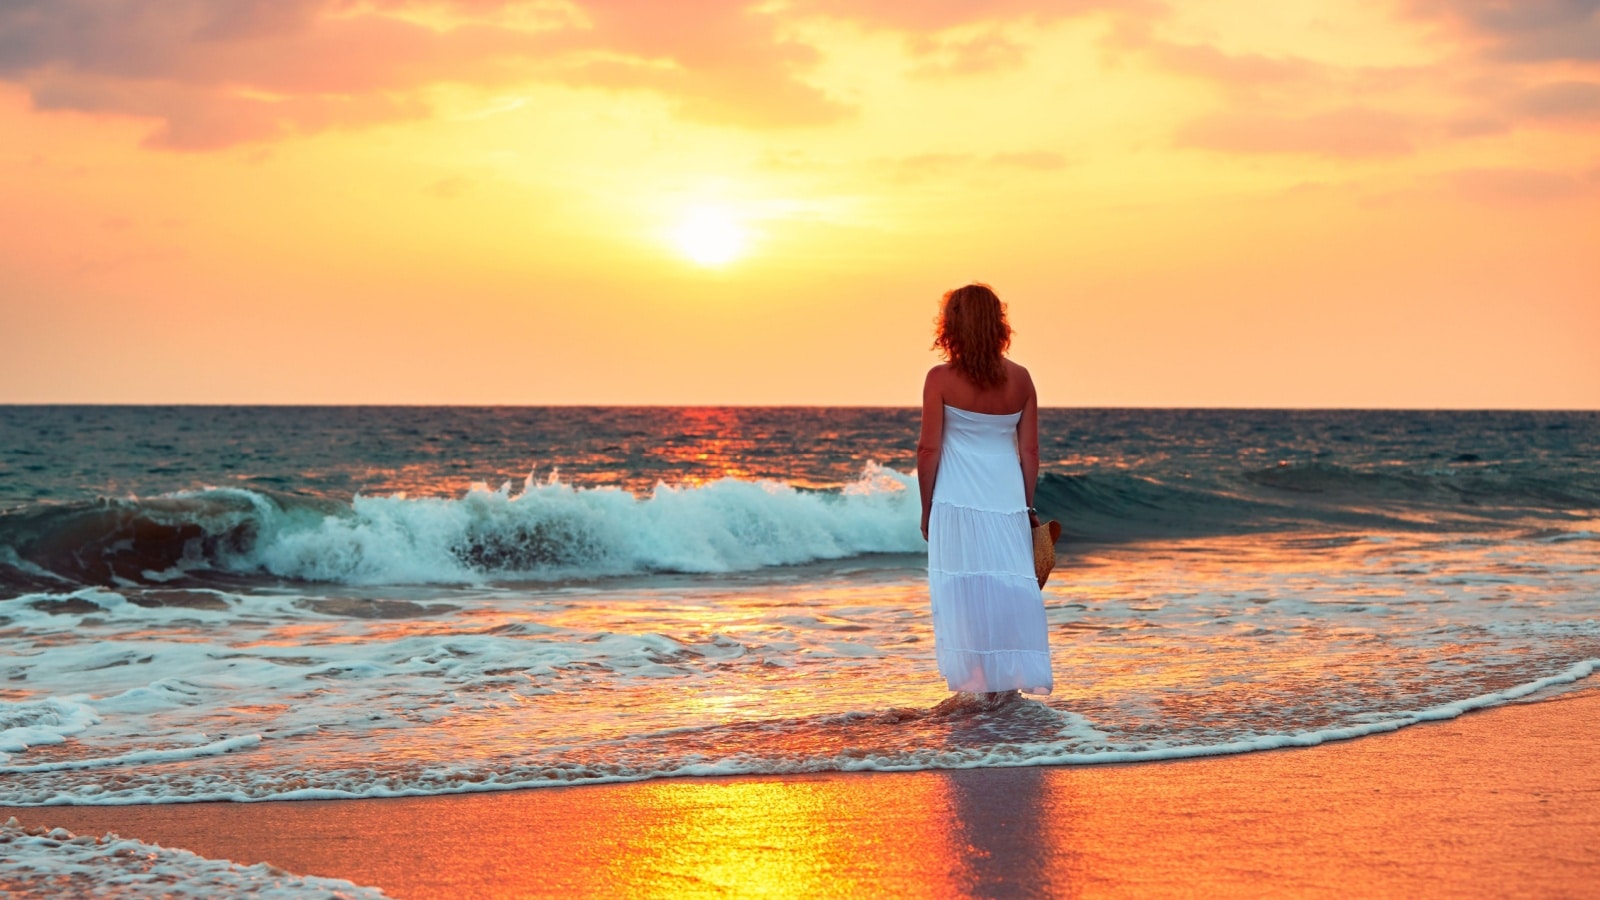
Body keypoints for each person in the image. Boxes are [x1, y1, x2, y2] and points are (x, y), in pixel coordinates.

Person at [917, 283, 1054, 705]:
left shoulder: (940, 378)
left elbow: (929, 449)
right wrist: (1026, 506)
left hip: (956, 501)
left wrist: (926, 510)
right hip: (1006, 500)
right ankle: (1005, 690)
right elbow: (1029, 452)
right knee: (1007, 589)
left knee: (964, 590)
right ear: (998, 324)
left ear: (952, 325)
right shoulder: (1021, 379)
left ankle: (979, 692)